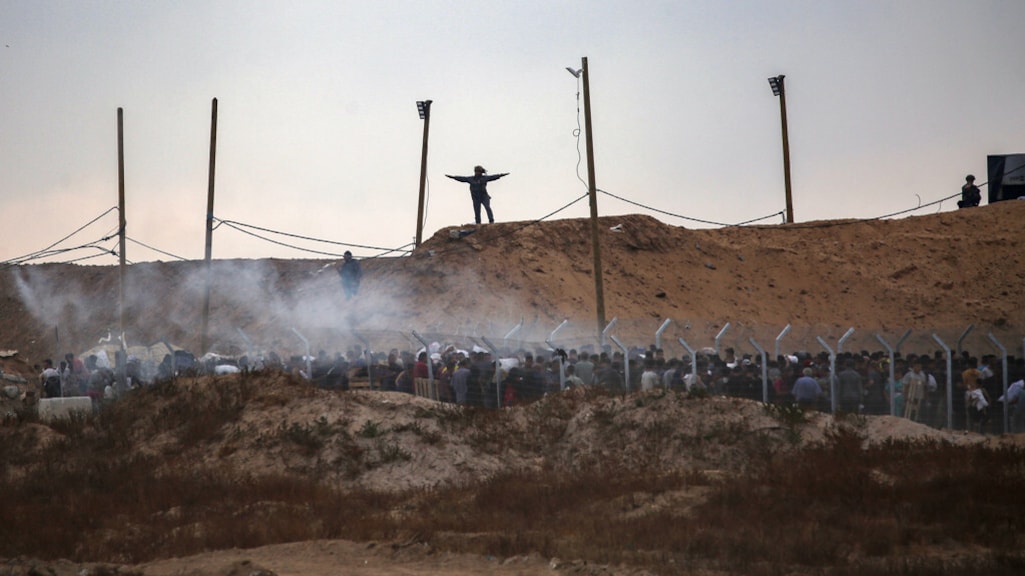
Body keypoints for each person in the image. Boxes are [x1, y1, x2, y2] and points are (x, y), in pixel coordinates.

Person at [445, 165, 509, 224]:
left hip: (484, 196)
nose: (477, 173)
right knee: (477, 210)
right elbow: (462, 179)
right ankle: (478, 223)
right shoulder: (471, 179)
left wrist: (501, 175)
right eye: (476, 171)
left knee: (487, 207)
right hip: (475, 197)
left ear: (481, 172)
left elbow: (493, 177)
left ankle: (491, 221)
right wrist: (453, 177)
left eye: (479, 171)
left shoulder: (484, 178)